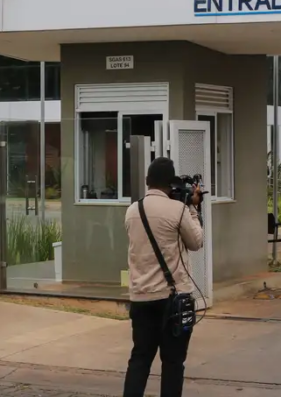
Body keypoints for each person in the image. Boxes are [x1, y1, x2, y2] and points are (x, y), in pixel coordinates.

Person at [123, 157, 204, 397]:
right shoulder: (178, 210)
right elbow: (196, 242)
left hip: (141, 298)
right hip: (173, 300)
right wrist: (193, 207)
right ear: (172, 184)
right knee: (172, 362)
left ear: (148, 182)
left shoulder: (131, 211)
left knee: (139, 359)